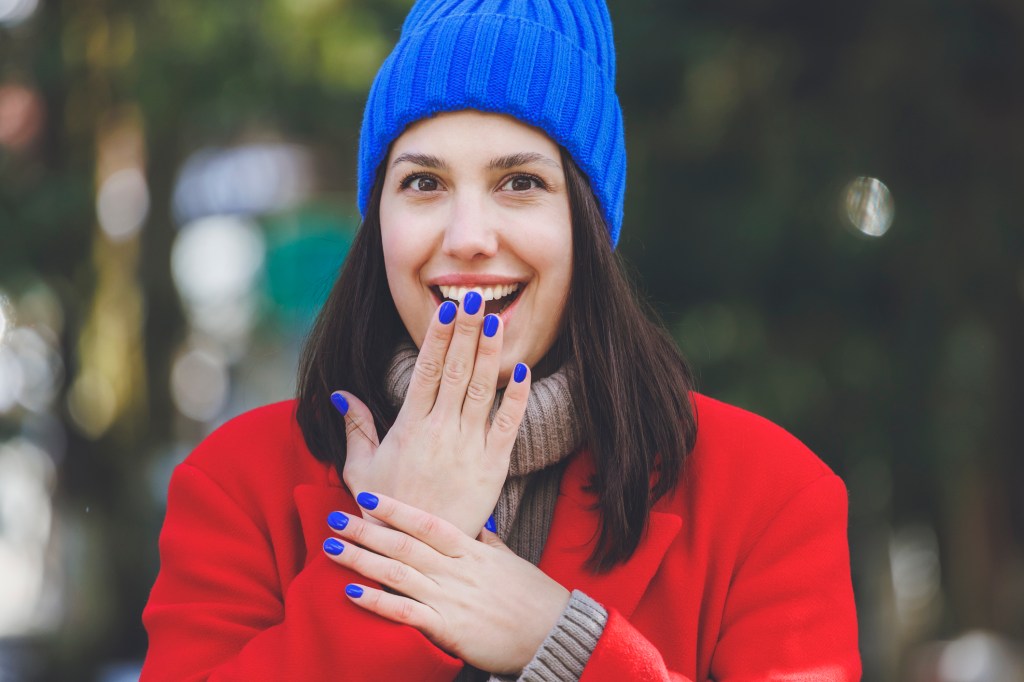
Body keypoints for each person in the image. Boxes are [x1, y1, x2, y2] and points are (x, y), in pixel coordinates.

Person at [141, 1, 861, 680]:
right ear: (378, 221)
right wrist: (401, 547)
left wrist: (565, 638)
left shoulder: (771, 499)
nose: (468, 238)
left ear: (587, 220)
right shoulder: (235, 485)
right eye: (423, 182)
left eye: (519, 182)